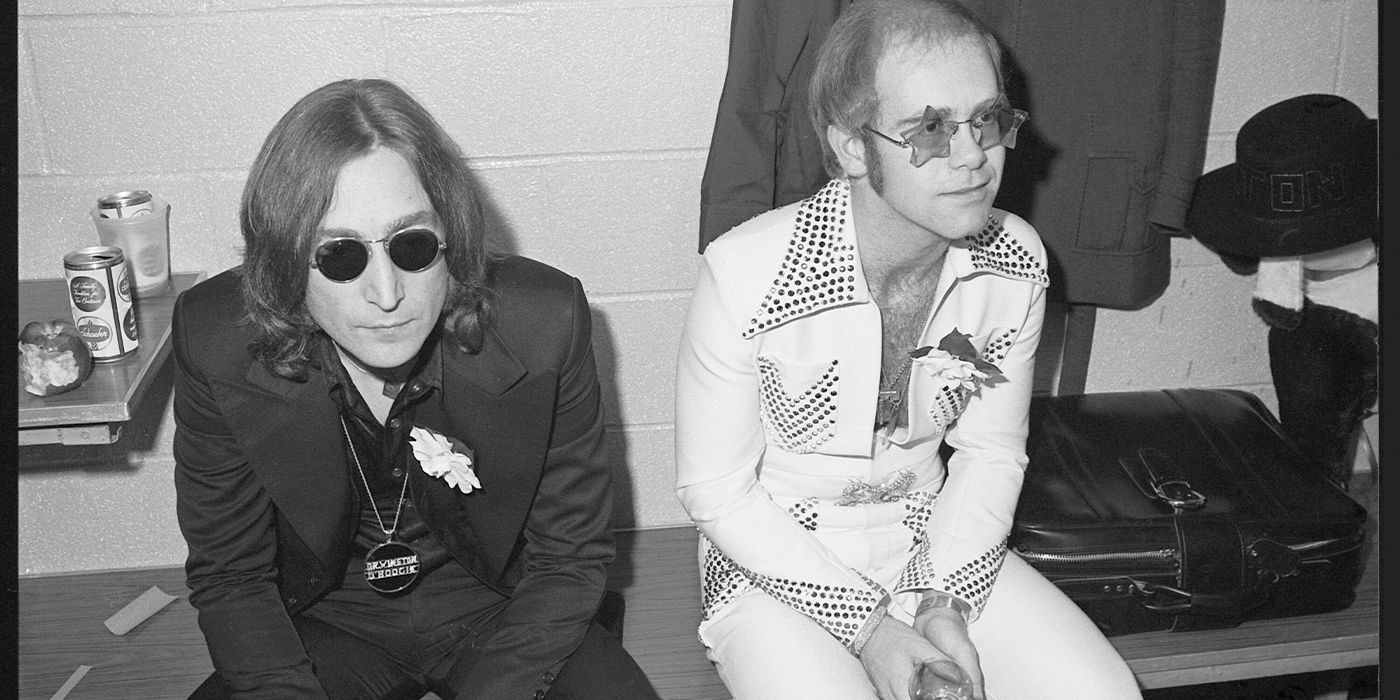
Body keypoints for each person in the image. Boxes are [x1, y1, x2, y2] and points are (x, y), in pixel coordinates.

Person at [674, 2, 1141, 699]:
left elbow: (989, 453)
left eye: (988, 119)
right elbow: (718, 494)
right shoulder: (749, 271)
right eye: (929, 129)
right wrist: (869, 629)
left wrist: (942, 602)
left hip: (931, 541)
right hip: (774, 558)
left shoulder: (1014, 260)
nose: (973, 155)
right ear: (853, 147)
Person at [172, 78, 660, 700]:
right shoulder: (216, 337)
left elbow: (569, 556)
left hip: (503, 608)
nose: (386, 294)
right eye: (340, 256)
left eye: (413, 246)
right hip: (323, 619)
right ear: (285, 261)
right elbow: (232, 575)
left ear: (450, 236)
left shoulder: (545, 322)